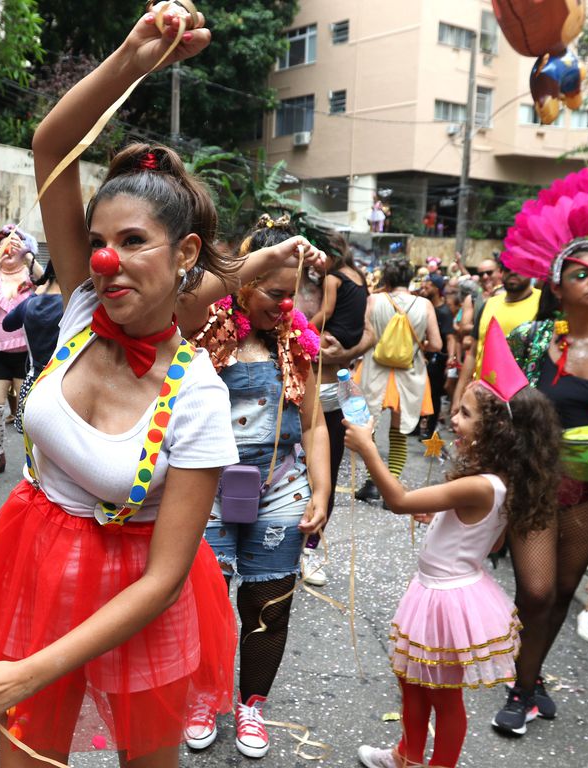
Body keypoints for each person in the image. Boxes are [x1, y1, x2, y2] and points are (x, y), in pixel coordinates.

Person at [0, 9, 249, 765]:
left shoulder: (196, 395)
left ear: (186, 250)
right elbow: (53, 145)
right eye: (96, 243)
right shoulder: (81, 310)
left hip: (139, 603)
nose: (104, 261)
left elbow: (166, 578)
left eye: (132, 242)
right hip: (35, 569)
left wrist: (22, 674)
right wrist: (133, 56)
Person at [346, 321, 560, 768]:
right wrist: (441, 514)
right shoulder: (495, 482)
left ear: (496, 430)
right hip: (437, 590)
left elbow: (400, 500)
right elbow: (481, 530)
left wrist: (368, 449)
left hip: (445, 599)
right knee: (412, 681)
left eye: (463, 414)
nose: (453, 419)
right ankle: (405, 755)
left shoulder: (481, 484)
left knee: (443, 697)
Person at [185, 214, 328, 757]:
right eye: (275, 292)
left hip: (280, 490)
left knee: (270, 603)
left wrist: (321, 492)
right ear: (244, 282)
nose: (287, 305)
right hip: (207, 490)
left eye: (294, 295)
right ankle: (203, 697)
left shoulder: (298, 345)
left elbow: (313, 424)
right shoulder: (203, 333)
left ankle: (251, 706)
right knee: (205, 603)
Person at [496, 169, 588, 734]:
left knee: (560, 592)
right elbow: (490, 405)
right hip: (535, 481)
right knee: (534, 589)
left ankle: (526, 686)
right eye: (581, 272)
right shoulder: (530, 342)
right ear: (556, 283)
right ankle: (521, 680)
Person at [307, 231, 370, 584]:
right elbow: (366, 330)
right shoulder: (359, 277)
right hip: (332, 376)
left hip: (331, 383)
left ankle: (309, 547)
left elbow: (332, 314)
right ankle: (303, 545)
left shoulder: (331, 278)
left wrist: (298, 329)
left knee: (325, 470)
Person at [354, 259, 442, 502]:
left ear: (388, 280)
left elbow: (363, 336)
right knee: (399, 431)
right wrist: (415, 344)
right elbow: (436, 344)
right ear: (409, 279)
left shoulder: (374, 300)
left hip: (374, 371)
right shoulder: (424, 305)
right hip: (409, 374)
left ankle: (373, 481)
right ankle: (391, 485)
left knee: (366, 430)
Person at [0, 224, 37, 479]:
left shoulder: (30, 272)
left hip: (27, 353)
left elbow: (45, 280)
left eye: (12, 244)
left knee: (29, 414)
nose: (6, 250)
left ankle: (37, 461)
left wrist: (27, 255)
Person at [452, 260, 540, 413]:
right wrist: (458, 395)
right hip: (484, 399)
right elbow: (473, 353)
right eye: (507, 267)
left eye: (519, 266)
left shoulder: (543, 303)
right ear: (501, 272)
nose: (513, 271)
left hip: (523, 402)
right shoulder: (489, 304)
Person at [2, 259, 64, 434]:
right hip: (65, 386)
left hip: (33, 382)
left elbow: (8, 324)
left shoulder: (31, 303)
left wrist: (36, 293)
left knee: (32, 451)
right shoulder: (75, 306)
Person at [420, 273, 455, 438]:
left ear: (436, 288)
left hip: (437, 359)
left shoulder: (444, 311)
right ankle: (416, 426)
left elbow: (450, 337)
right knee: (419, 391)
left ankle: (429, 429)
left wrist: (451, 358)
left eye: (427, 286)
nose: (424, 288)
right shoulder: (424, 306)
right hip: (422, 357)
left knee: (433, 394)